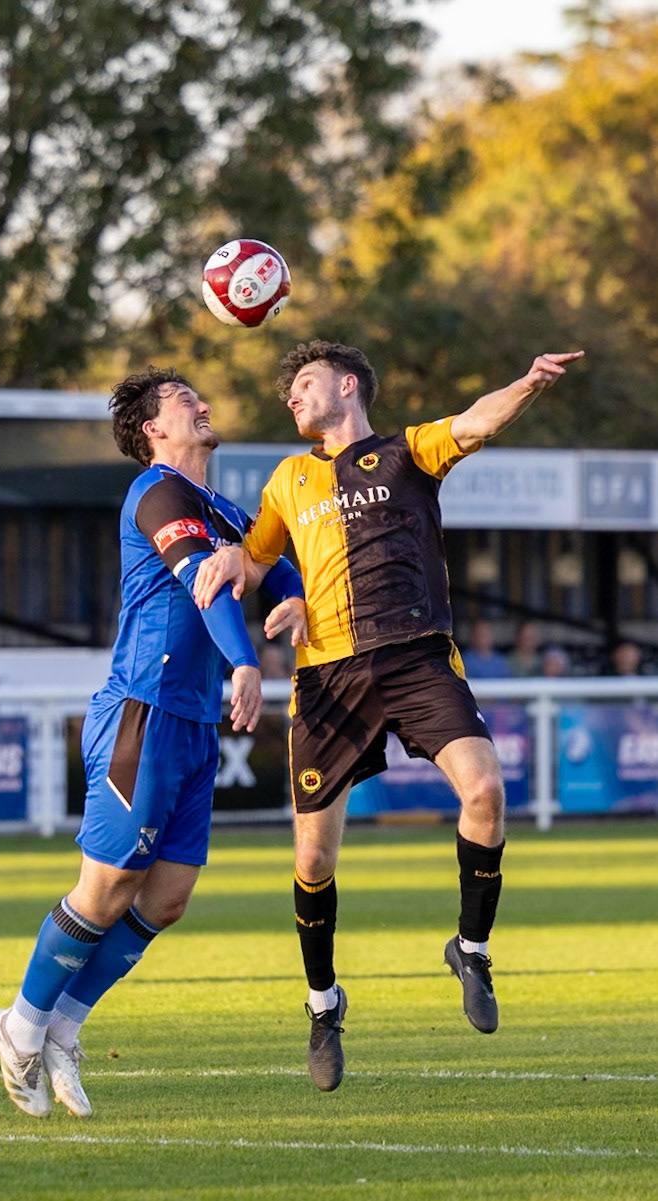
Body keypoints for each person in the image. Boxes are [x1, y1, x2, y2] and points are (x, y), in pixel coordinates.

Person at [195, 339, 584, 1091]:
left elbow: (476, 424)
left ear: (348, 385)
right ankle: (323, 1005)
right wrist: (230, 567)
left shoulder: (406, 453)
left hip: (416, 654)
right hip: (330, 676)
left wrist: (528, 382)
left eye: (304, 384)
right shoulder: (288, 479)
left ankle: (471, 948)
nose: (292, 398)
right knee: (313, 861)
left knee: (487, 792)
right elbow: (254, 557)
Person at [0, 366, 305, 1119]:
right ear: (154, 430)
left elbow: (273, 559)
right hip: (144, 712)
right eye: (181, 399)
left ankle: (63, 1025)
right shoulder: (160, 494)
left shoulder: (221, 505)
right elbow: (207, 583)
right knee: (105, 889)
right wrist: (243, 663)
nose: (200, 400)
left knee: (165, 898)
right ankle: (21, 1024)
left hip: (192, 724)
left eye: (197, 392)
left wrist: (289, 589)